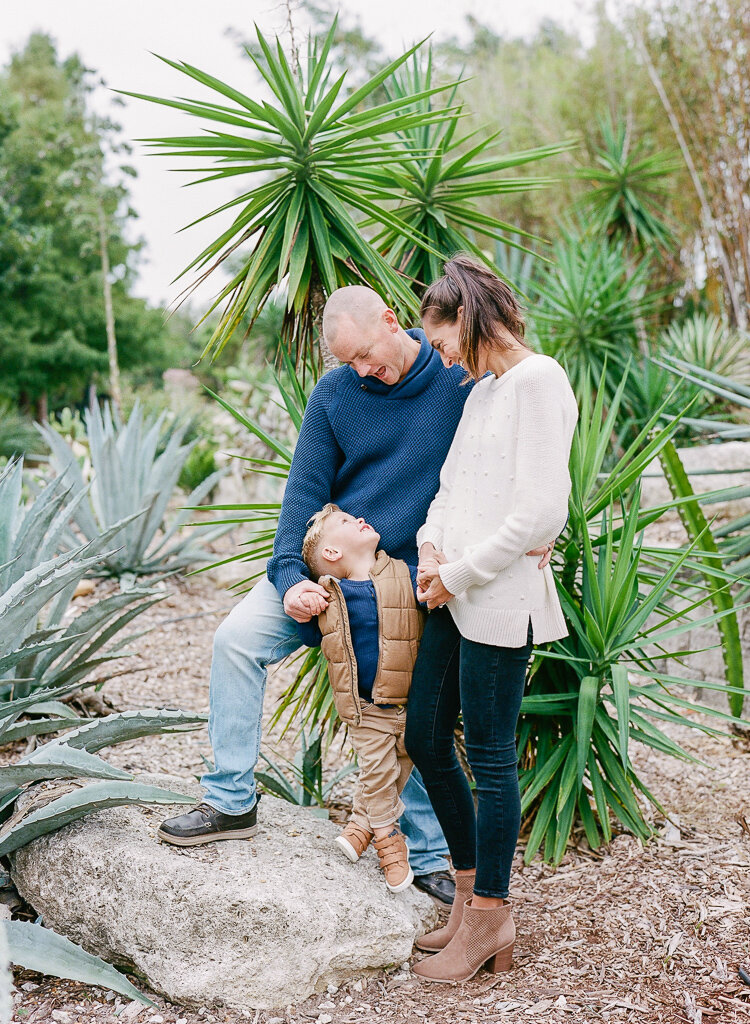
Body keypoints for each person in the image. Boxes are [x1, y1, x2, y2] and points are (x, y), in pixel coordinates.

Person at [158, 286, 480, 902]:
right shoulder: (334, 395)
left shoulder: (456, 383)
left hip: (403, 588)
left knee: (397, 705)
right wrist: (293, 581)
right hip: (330, 576)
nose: (362, 371)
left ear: (393, 320)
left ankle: (431, 854)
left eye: (365, 355)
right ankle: (230, 801)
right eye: (348, 362)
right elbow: (301, 502)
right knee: (234, 640)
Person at [404, 254, 579, 982]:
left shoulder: (539, 381)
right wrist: (429, 548)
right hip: (452, 589)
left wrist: (458, 572)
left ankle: (492, 917)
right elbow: (448, 489)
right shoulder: (481, 393)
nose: (442, 359)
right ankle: (470, 895)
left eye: (443, 342)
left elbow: (541, 512)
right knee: (424, 735)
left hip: (497, 601)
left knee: (494, 758)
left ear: (469, 320)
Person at [296, 503, 424, 892]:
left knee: (400, 769)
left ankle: (359, 828)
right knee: (377, 773)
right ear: (333, 553)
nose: (362, 519)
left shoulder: (405, 573)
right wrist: (305, 602)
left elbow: (439, 592)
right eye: (349, 523)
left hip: (411, 701)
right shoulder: (328, 596)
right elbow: (310, 636)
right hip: (366, 708)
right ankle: (388, 843)